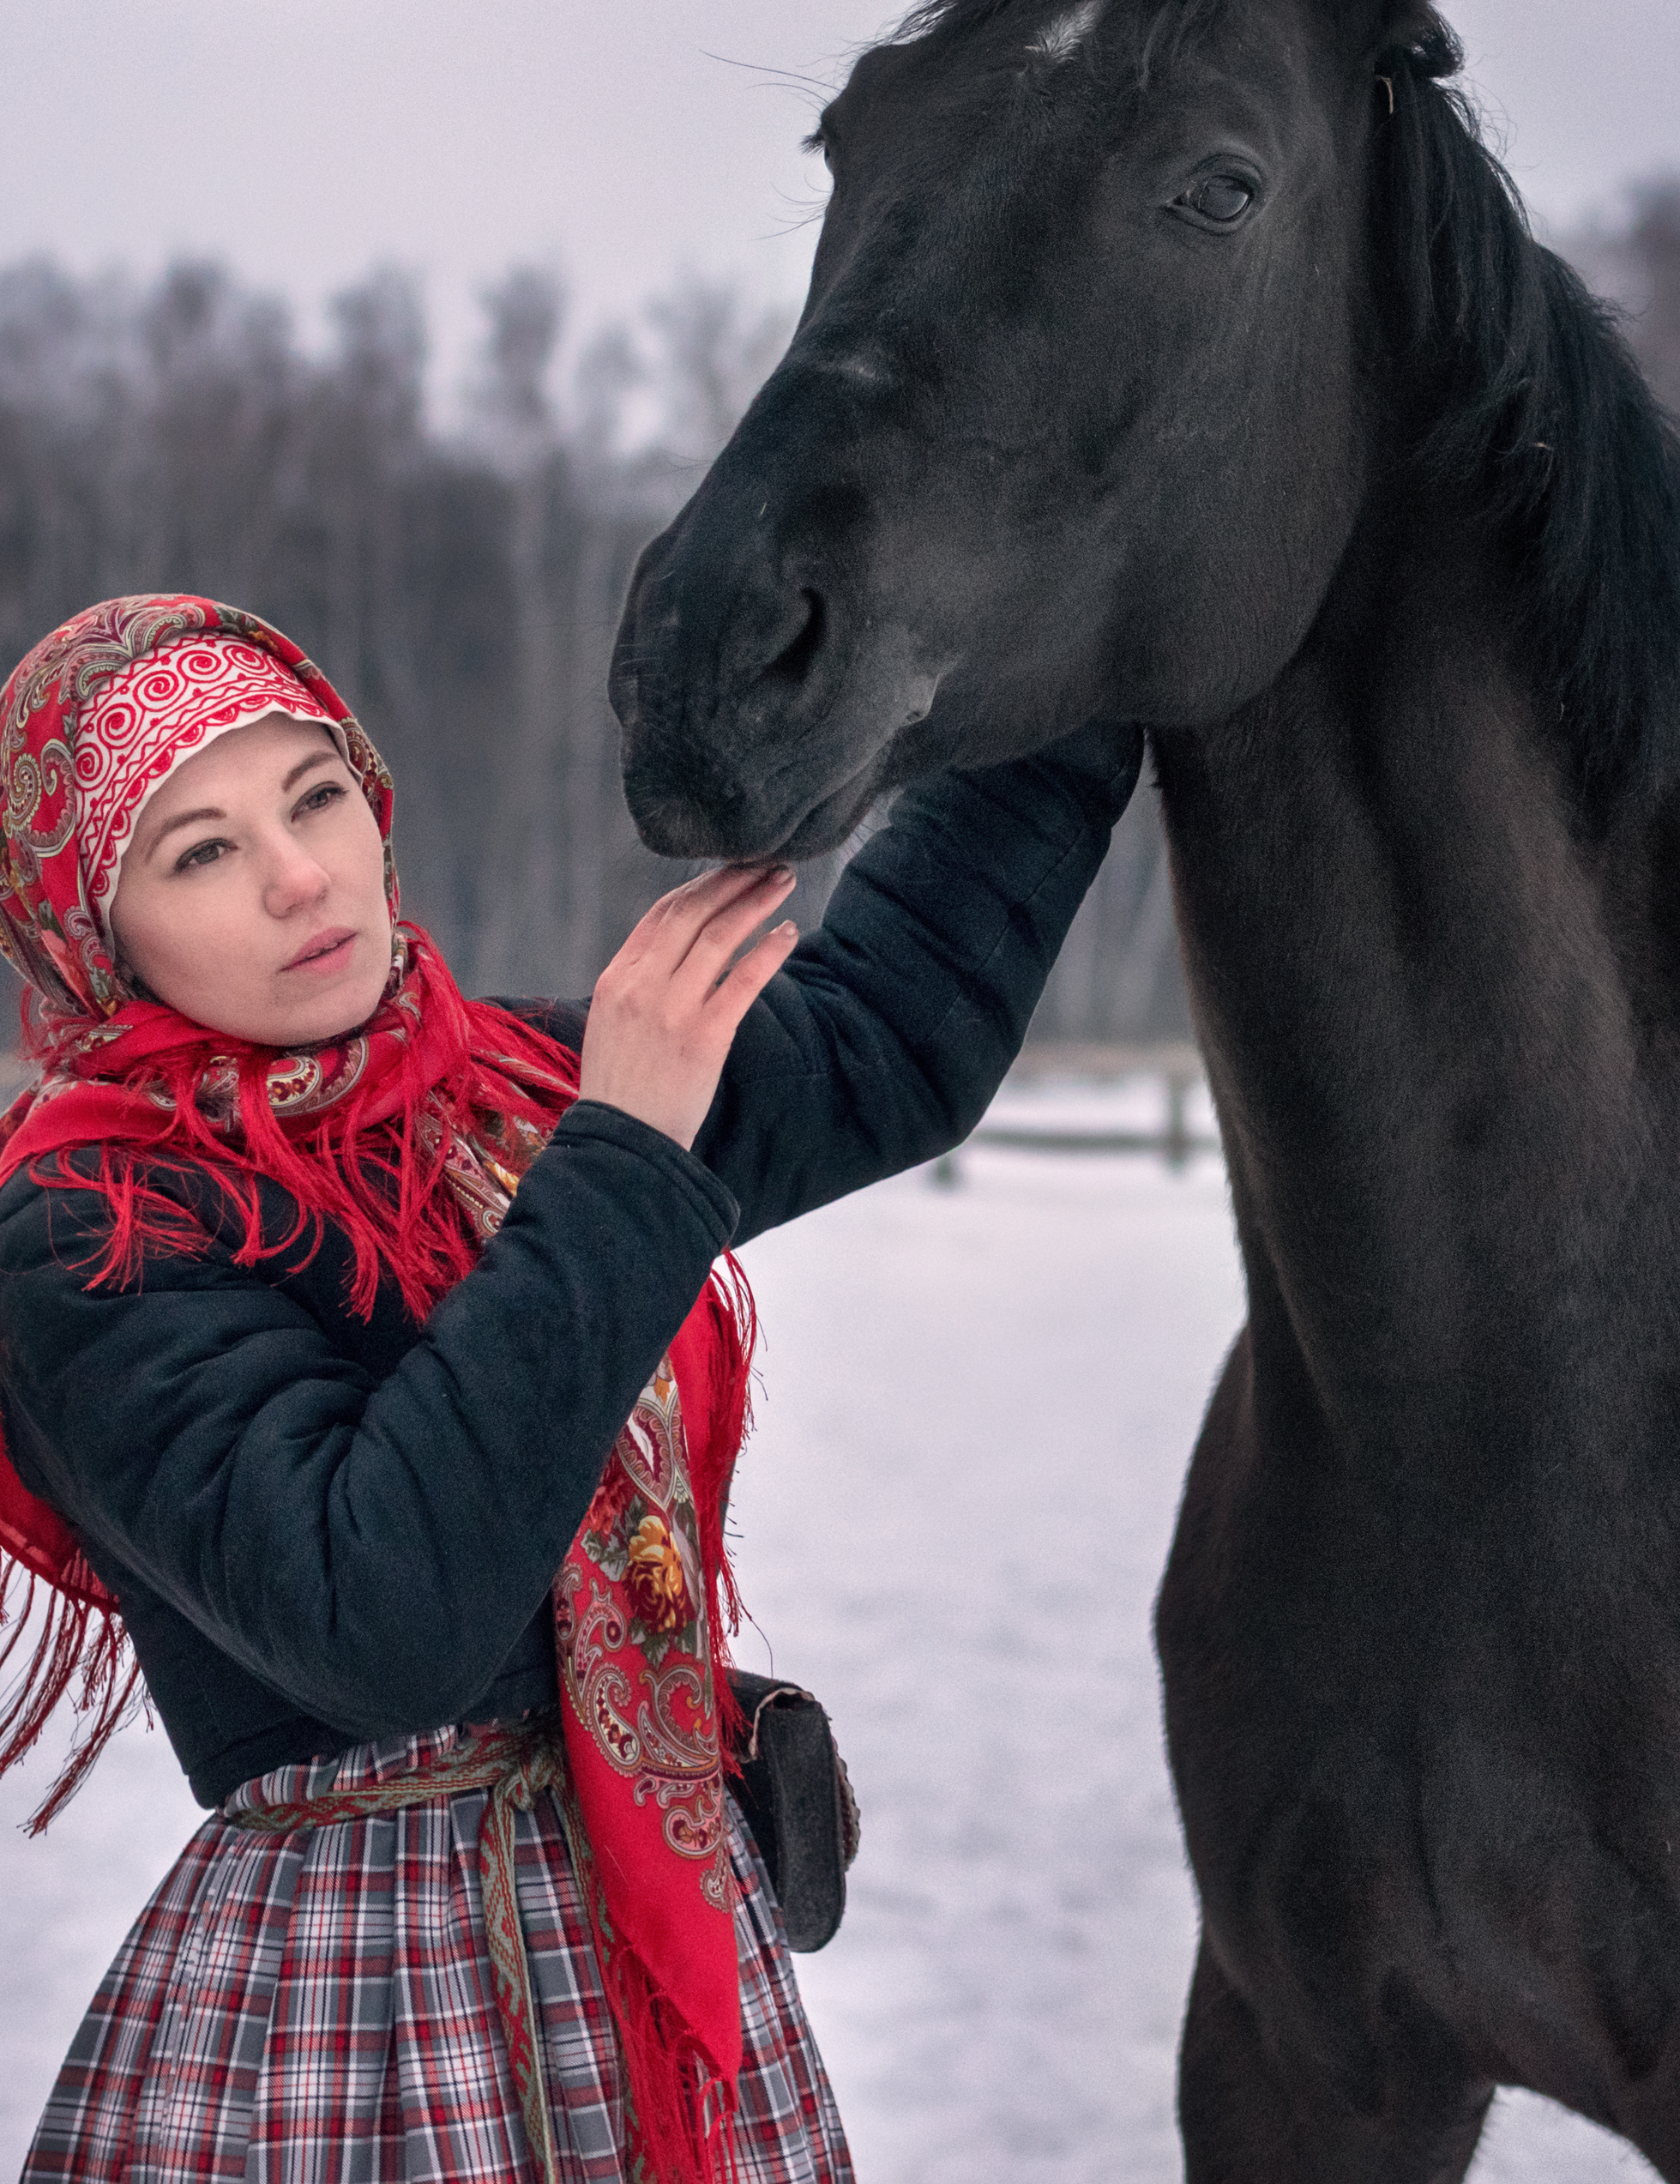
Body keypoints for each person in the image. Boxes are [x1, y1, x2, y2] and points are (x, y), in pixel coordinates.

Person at [0, 594, 1140, 2183]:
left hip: (654, 1935)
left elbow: (890, 1032)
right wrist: (619, 1153)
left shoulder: (506, 1096)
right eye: (199, 851)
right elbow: (380, 1610)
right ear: (92, 932)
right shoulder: (89, 1232)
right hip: (367, 2005)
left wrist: (1092, 655)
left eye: (315, 795)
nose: (300, 876)